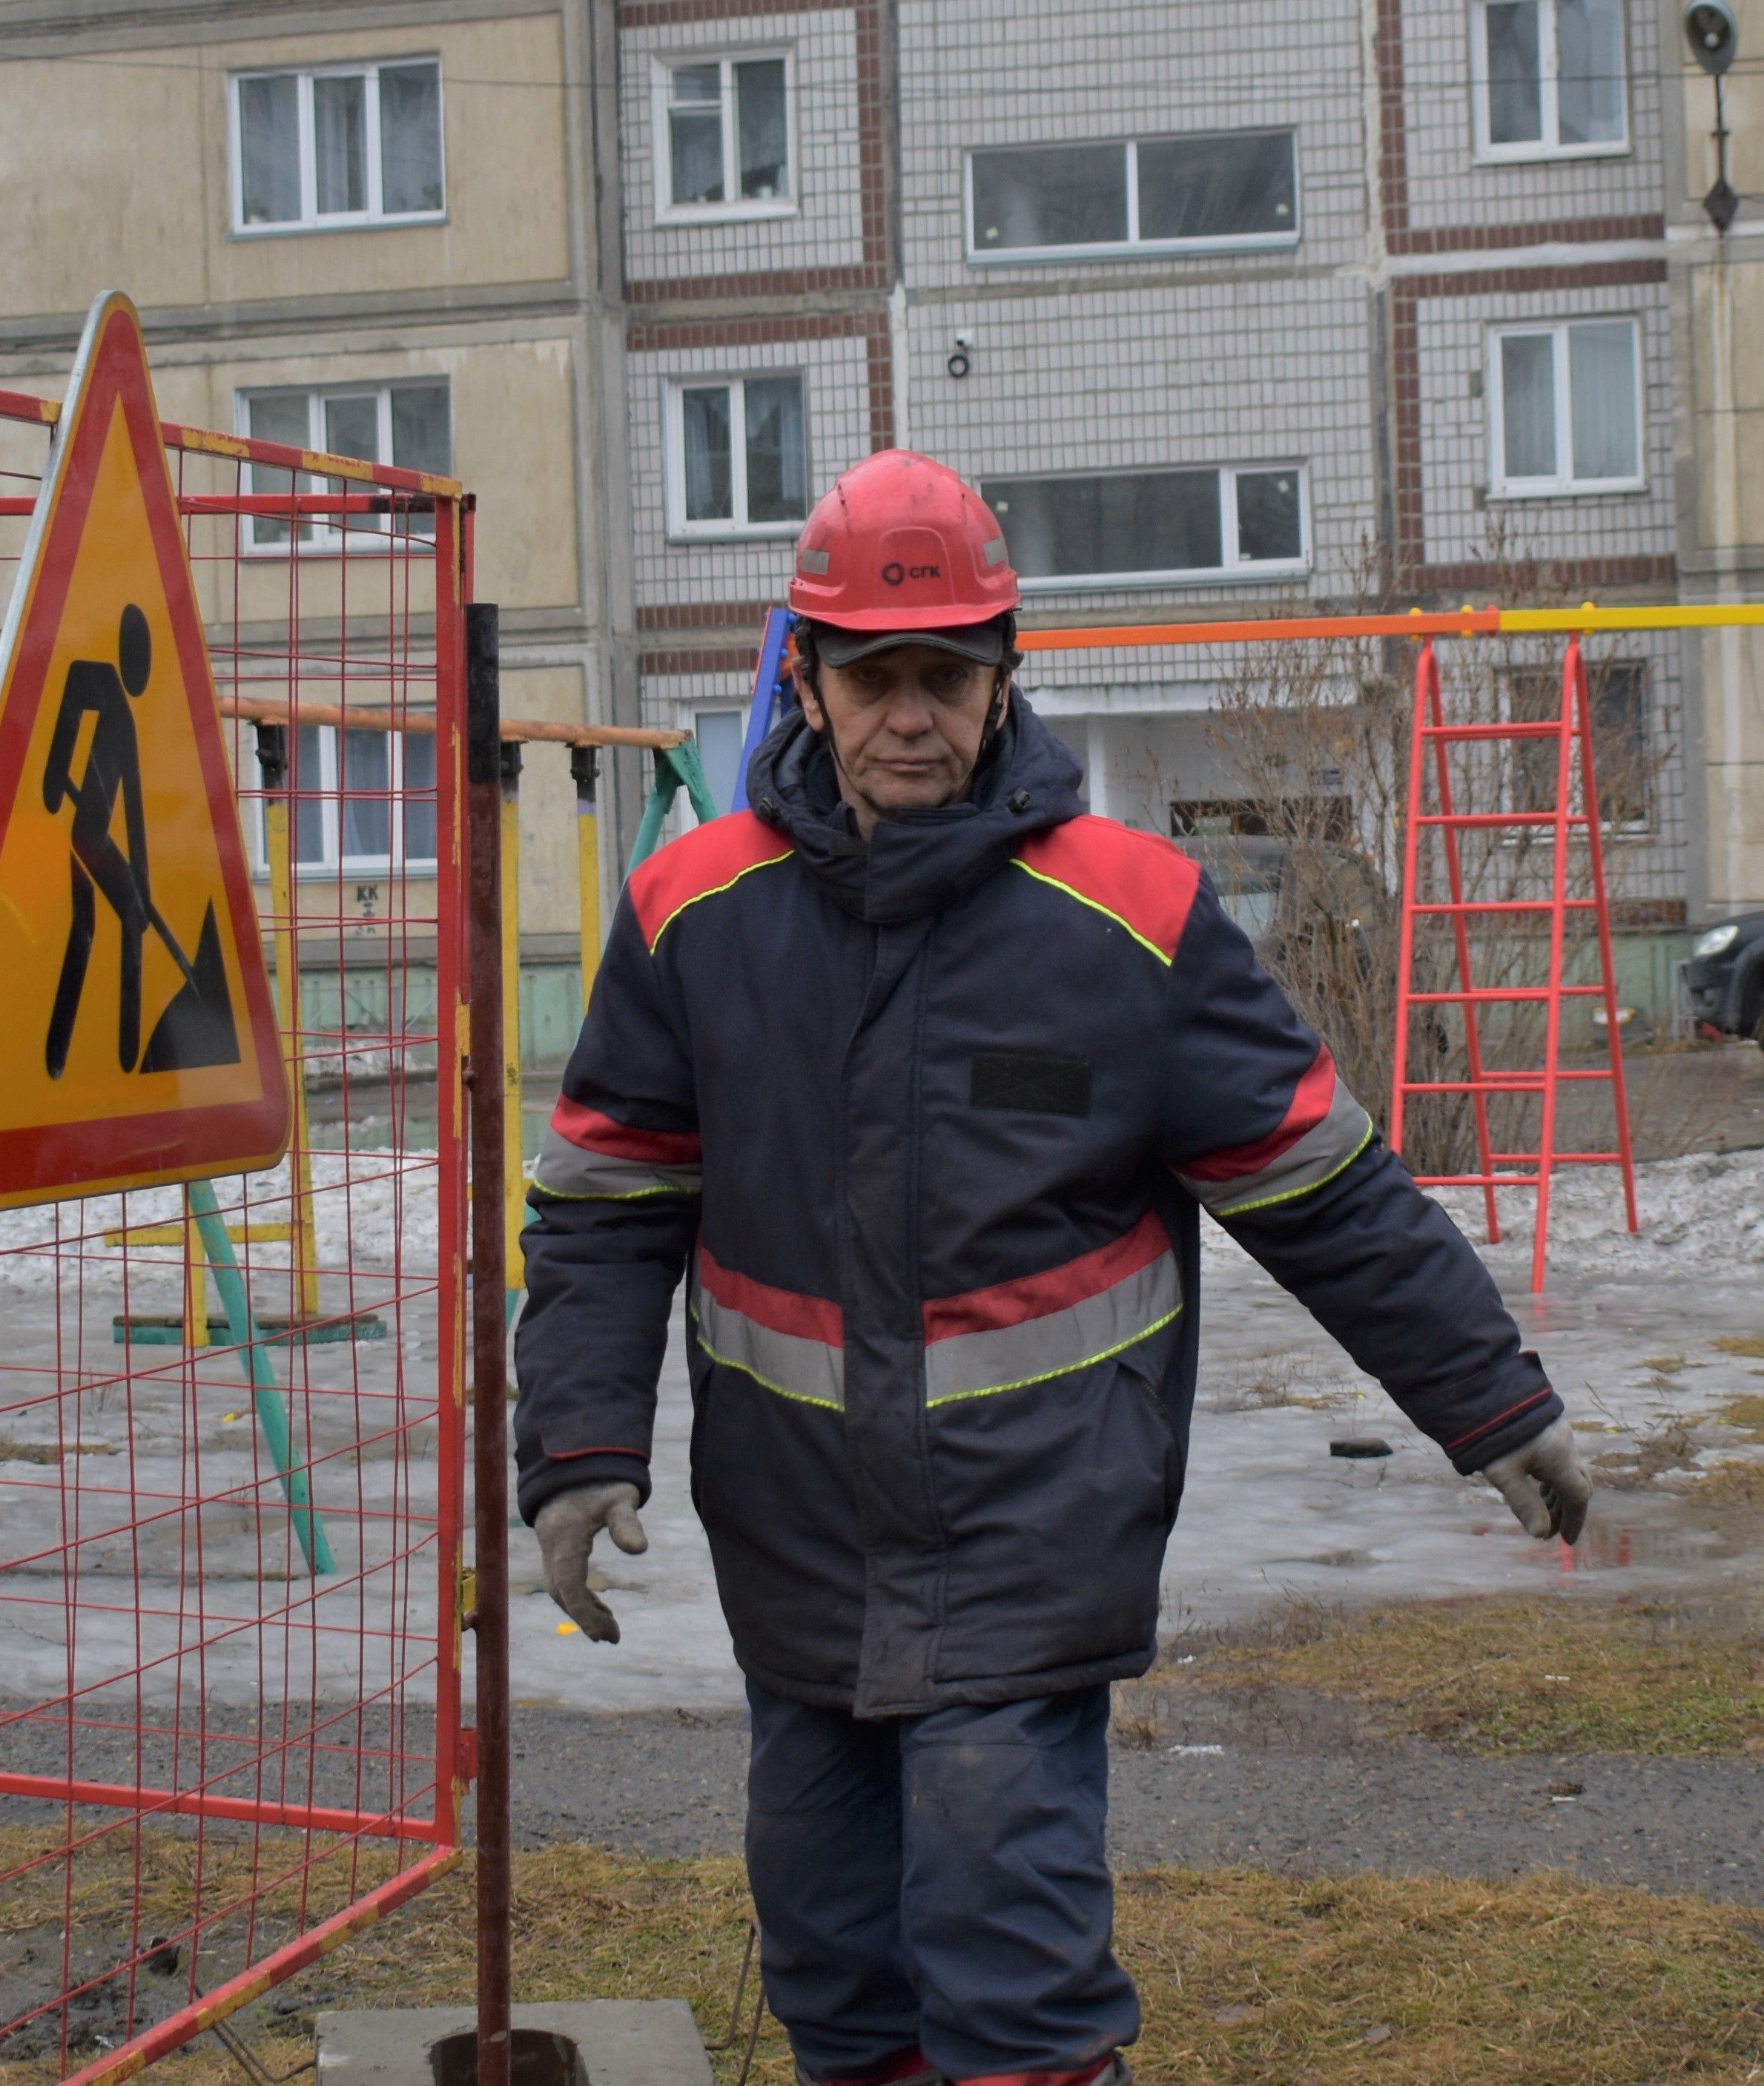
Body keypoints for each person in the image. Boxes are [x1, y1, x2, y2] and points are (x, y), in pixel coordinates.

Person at [512, 449, 1589, 2086]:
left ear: (1004, 673)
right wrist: (579, 1445)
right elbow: (606, 1204)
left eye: (946, 677)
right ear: (806, 677)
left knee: (1008, 1967)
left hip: (1033, 1533)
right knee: (832, 1967)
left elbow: (1322, 1190)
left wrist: (1490, 1401)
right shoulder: (692, 914)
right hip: (797, 1542)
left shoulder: (1132, 920)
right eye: (874, 678)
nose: (911, 717)